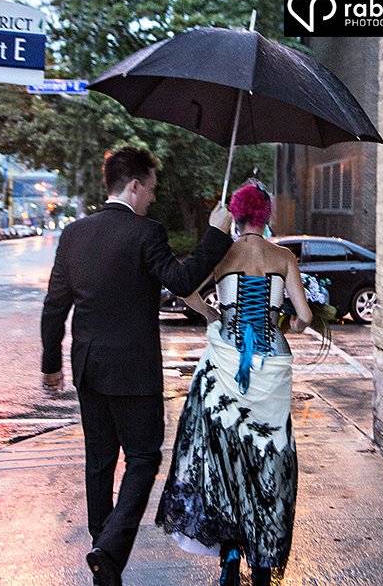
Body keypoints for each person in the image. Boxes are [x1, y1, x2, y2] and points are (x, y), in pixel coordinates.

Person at [40, 146, 233, 586]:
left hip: (88, 366)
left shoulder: (73, 234)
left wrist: (50, 363)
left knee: (99, 461)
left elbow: (55, 306)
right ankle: (107, 549)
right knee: (144, 458)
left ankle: (101, 552)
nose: (152, 197)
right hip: (134, 370)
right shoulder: (147, 233)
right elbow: (182, 282)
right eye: (151, 189)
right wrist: (215, 234)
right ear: (134, 185)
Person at [155, 180, 313, 586]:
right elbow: (306, 318)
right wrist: (291, 322)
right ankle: (261, 562)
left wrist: (213, 314)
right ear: (267, 216)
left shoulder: (222, 253)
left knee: (225, 453)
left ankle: (229, 552)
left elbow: (184, 289)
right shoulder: (283, 257)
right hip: (271, 363)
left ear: (236, 216)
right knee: (268, 454)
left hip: (227, 358)